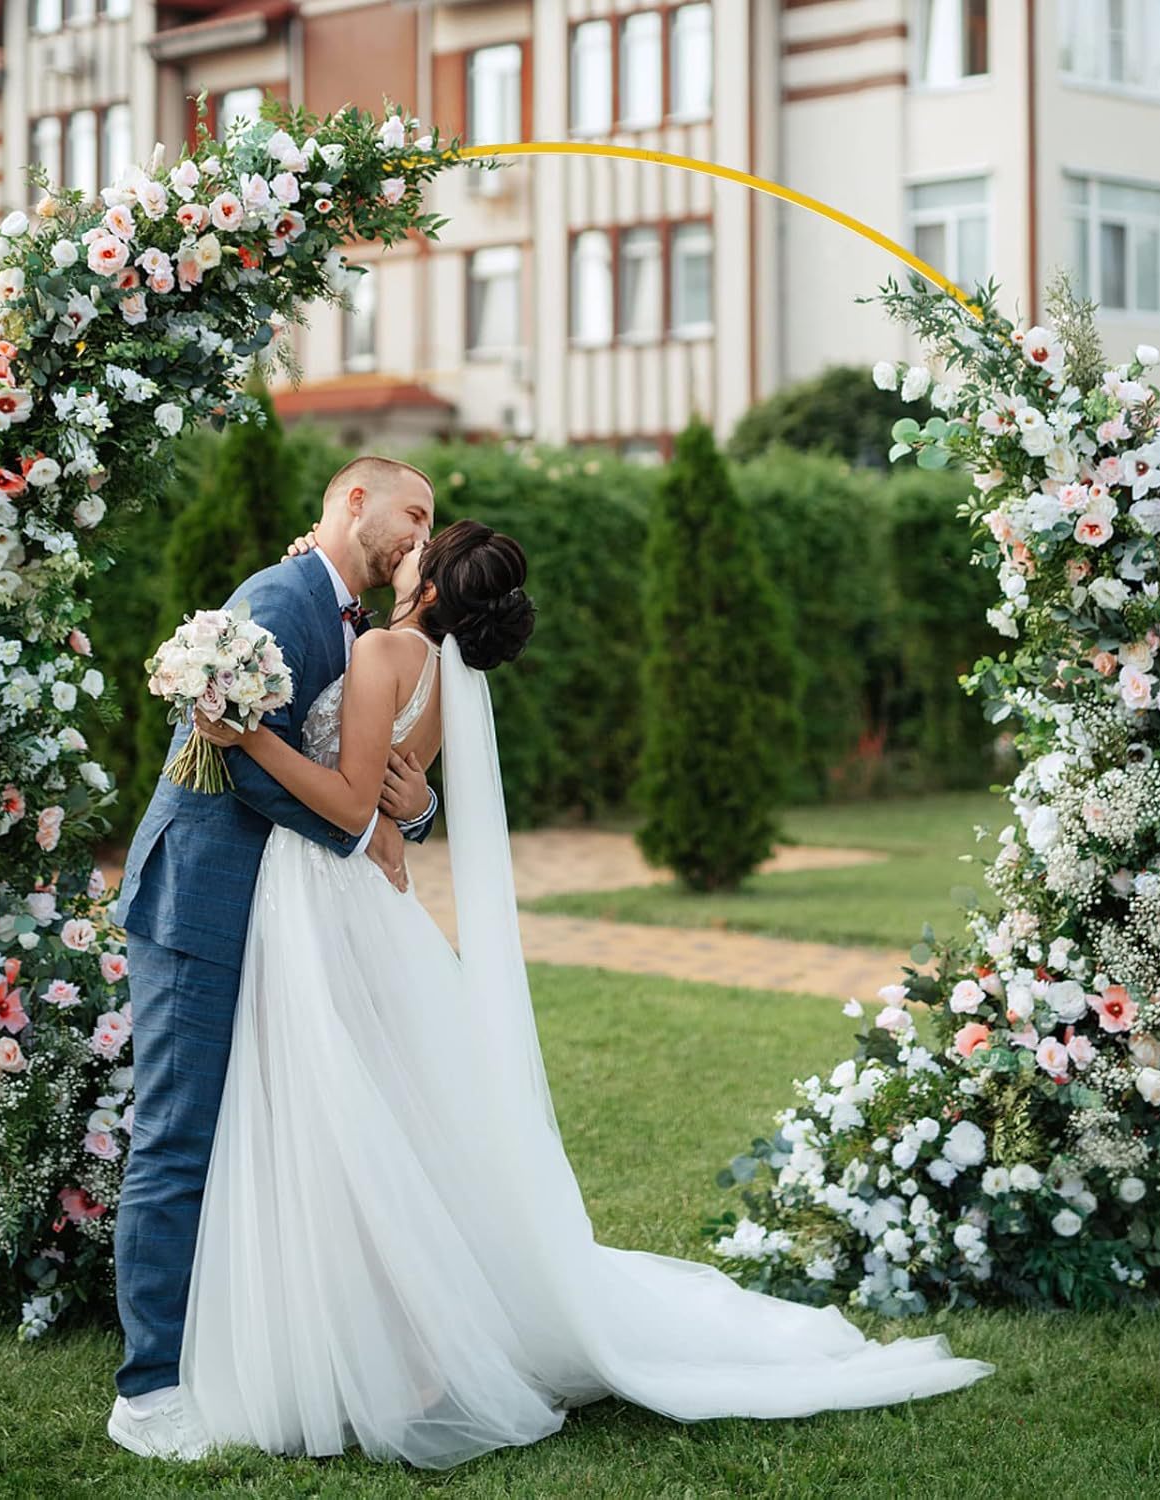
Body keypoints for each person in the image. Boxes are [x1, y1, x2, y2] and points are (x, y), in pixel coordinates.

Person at [139, 517, 994, 1468]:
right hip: (362, 909)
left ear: (428, 583)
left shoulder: (383, 647)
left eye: (421, 544)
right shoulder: (441, 675)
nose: (404, 549)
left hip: (325, 900)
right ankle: (403, 1345)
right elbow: (402, 793)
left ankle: (390, 1353)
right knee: (381, 1129)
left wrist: (244, 731)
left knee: (344, 1121)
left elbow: (348, 807)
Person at [108, 456, 442, 1459]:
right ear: (352, 499)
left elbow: (379, 770)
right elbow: (234, 757)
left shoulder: (365, 629)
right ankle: (149, 1391)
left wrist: (410, 813)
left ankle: (241, 1348)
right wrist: (356, 826)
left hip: (284, 914)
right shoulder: (281, 598)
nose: (420, 533)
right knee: (175, 1136)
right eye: (411, 510)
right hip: (201, 899)